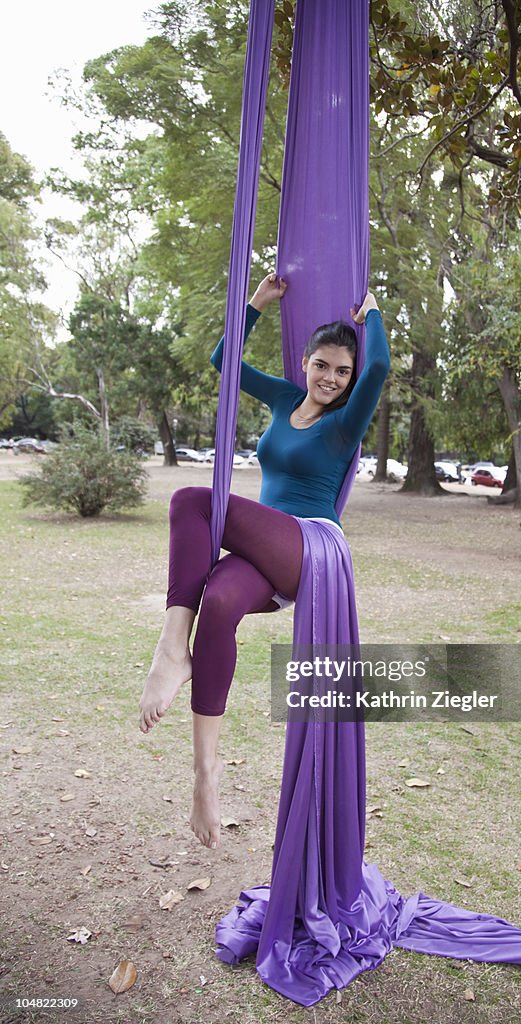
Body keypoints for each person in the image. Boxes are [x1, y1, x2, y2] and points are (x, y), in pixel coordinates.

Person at [138, 272, 390, 850]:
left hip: (311, 549)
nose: (331, 378)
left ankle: (171, 648)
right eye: (322, 365)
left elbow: (378, 369)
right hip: (263, 548)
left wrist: (371, 314)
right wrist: (257, 302)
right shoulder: (283, 398)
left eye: (341, 371)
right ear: (305, 362)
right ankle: (206, 774)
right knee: (219, 600)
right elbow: (223, 358)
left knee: (189, 502)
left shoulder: (346, 419)